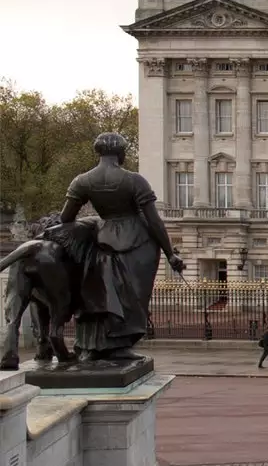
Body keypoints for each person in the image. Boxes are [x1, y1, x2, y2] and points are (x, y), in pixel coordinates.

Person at [58, 132, 185, 362]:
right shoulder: (134, 180)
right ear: (121, 152)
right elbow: (154, 221)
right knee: (133, 295)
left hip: (102, 239)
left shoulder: (82, 180)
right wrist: (170, 254)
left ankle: (93, 345)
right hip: (138, 242)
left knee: (101, 292)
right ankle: (119, 346)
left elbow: (66, 218)